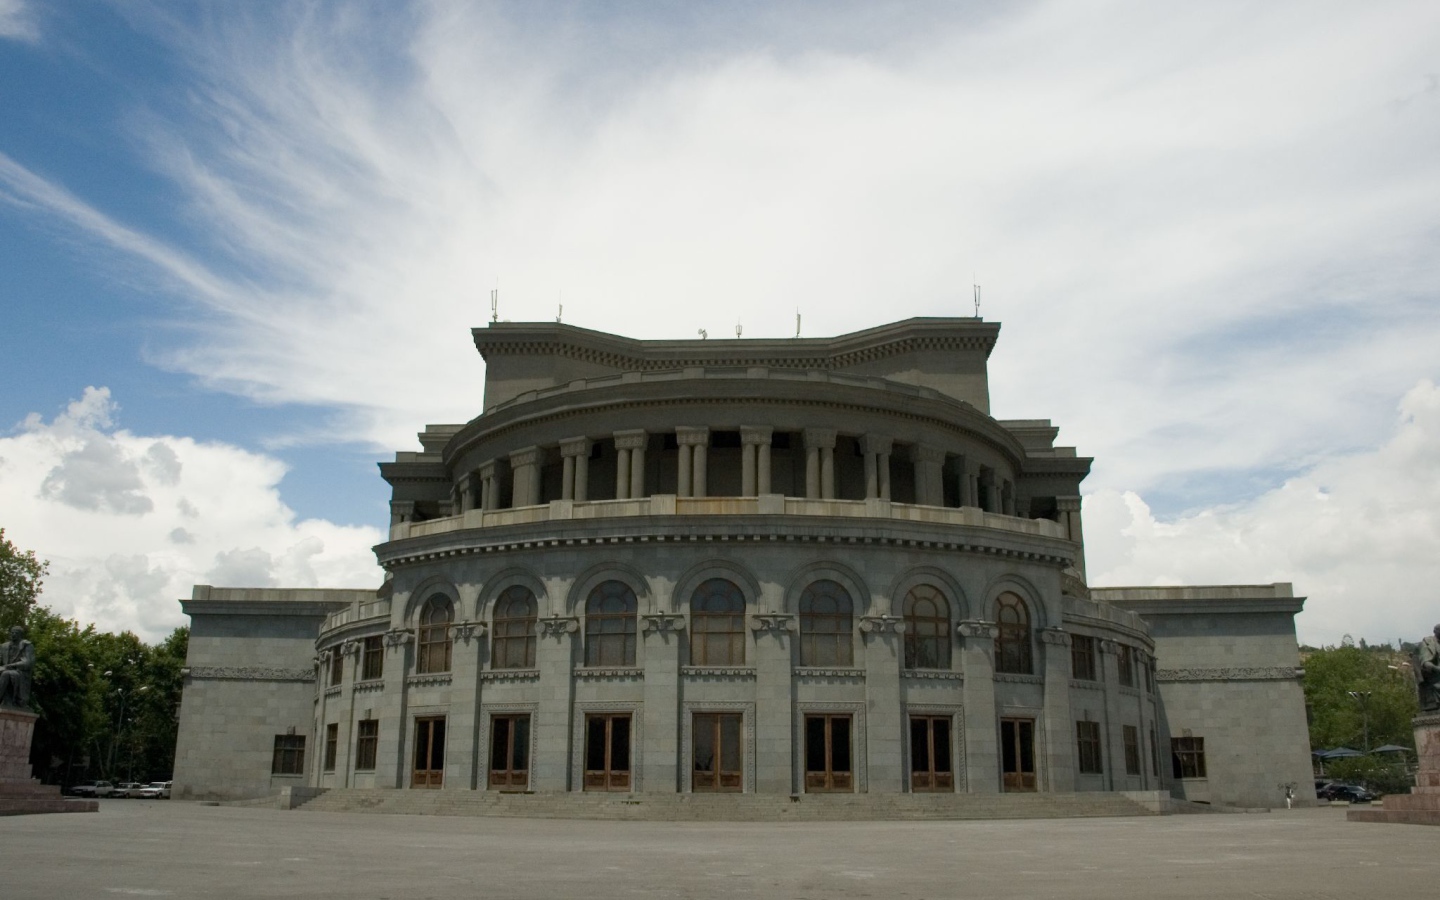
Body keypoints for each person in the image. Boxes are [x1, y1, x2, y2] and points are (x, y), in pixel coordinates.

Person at [0, 625, 35, 709]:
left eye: (16, 633)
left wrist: (11, 665)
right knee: (5, 672)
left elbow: (28, 662)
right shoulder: (4, 646)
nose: (13, 634)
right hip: (5, 669)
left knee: (6, 674)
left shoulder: (27, 646)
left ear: (20, 635)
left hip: (20, 673)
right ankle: (6, 701)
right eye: (12, 632)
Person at [1419, 623, 1440, 713]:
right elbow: (1426, 663)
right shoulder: (1428, 642)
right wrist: (1437, 669)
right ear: (1435, 631)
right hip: (1435, 675)